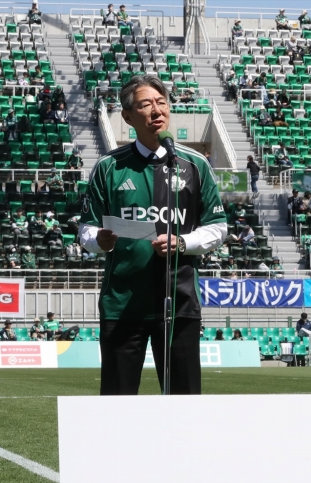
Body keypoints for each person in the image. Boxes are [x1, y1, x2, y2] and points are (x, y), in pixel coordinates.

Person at [78, 74, 227, 395]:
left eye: (162, 103)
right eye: (146, 104)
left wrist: (183, 242)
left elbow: (218, 227)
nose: (157, 110)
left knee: (184, 403)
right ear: (127, 117)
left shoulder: (195, 165)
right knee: (116, 402)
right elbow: (85, 229)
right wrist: (98, 240)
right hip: (122, 304)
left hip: (179, 303)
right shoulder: (108, 167)